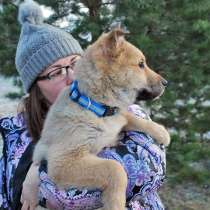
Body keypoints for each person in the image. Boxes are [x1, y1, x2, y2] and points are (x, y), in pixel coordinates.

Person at [0, 0, 166, 209]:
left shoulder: (123, 108)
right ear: (36, 90)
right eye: (55, 72)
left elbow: (148, 170)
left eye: (75, 63)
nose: (71, 76)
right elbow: (60, 193)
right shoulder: (17, 132)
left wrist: (38, 169)